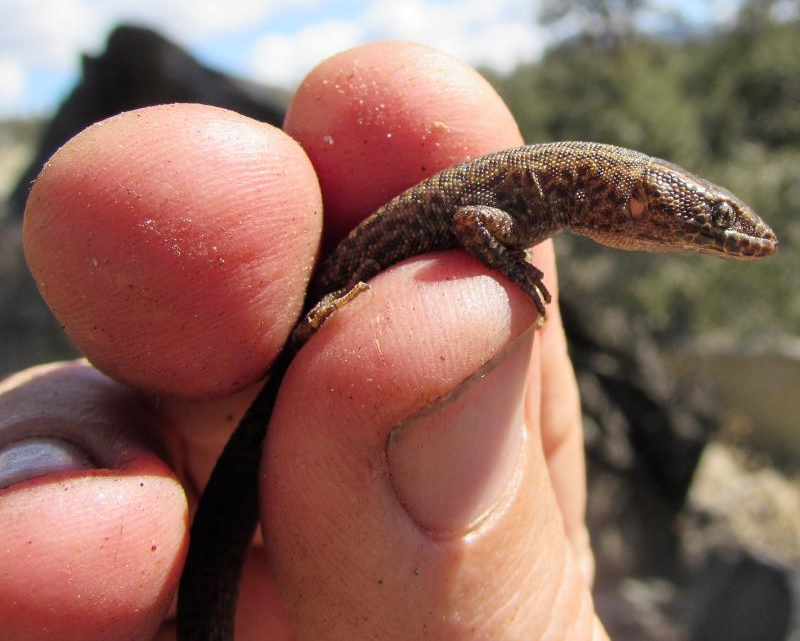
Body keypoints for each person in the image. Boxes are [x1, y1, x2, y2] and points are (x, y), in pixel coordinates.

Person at [0, 41, 604, 640]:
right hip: (310, 344)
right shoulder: (539, 197)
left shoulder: (549, 194)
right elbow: (474, 222)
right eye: (702, 218)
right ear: (632, 202)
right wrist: (511, 268)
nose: (703, 233)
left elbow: (475, 221)